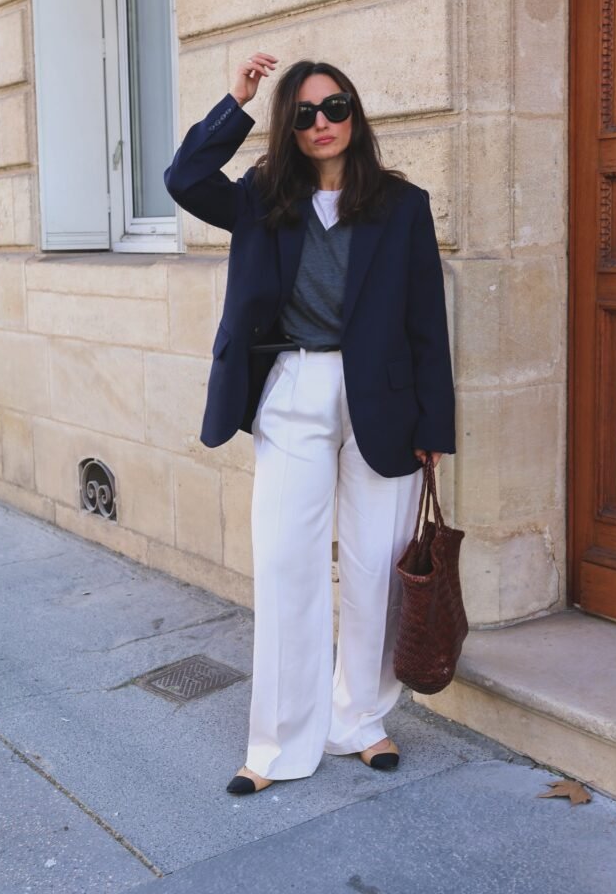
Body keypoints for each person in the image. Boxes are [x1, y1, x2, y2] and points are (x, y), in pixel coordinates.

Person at [164, 53, 455, 795]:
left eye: (335, 107)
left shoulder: (402, 203)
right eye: (304, 113)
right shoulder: (262, 197)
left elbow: (427, 319)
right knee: (285, 562)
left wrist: (435, 425)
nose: (322, 123)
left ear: (354, 114)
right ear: (287, 126)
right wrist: (235, 100)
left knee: (373, 566)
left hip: (384, 398)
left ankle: (358, 720)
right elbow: (184, 178)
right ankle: (277, 745)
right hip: (296, 384)